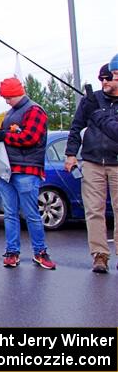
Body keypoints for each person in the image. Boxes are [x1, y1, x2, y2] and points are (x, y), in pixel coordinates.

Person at [0, 77, 56, 270]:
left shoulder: (35, 111)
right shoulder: (12, 113)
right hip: (8, 169)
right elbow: (8, 137)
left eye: (7, 97)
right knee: (10, 214)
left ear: (15, 93)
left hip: (27, 169)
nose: (6, 101)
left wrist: (3, 135)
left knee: (31, 214)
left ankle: (40, 251)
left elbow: (31, 138)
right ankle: (12, 251)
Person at [63, 64, 118, 273]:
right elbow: (76, 127)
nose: (104, 82)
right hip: (93, 161)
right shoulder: (92, 100)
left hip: (116, 161)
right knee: (94, 209)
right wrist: (70, 154)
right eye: (101, 78)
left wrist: (99, 114)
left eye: (108, 78)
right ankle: (99, 255)